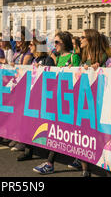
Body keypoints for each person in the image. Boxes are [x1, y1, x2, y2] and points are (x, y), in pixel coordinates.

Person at [33, 31, 83, 175]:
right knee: (59, 132)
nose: (54, 45)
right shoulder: (58, 57)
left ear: (64, 43)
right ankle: (74, 158)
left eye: (57, 42)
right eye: (54, 42)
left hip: (70, 100)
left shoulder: (74, 57)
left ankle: (51, 163)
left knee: (68, 131)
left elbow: (78, 77)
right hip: (59, 99)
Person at [78, 28, 110, 176]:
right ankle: (85, 169)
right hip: (84, 99)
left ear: (91, 39)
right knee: (83, 133)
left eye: (83, 37)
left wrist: (100, 69)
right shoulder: (83, 55)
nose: (80, 39)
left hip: (98, 101)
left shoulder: (104, 56)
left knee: (99, 136)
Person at [16, 38, 54, 162]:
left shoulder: (47, 59)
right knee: (29, 123)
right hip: (31, 96)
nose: (30, 46)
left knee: (42, 125)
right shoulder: (33, 59)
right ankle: (28, 151)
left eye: (32, 44)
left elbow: (50, 77)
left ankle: (47, 150)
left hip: (42, 97)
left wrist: (41, 69)